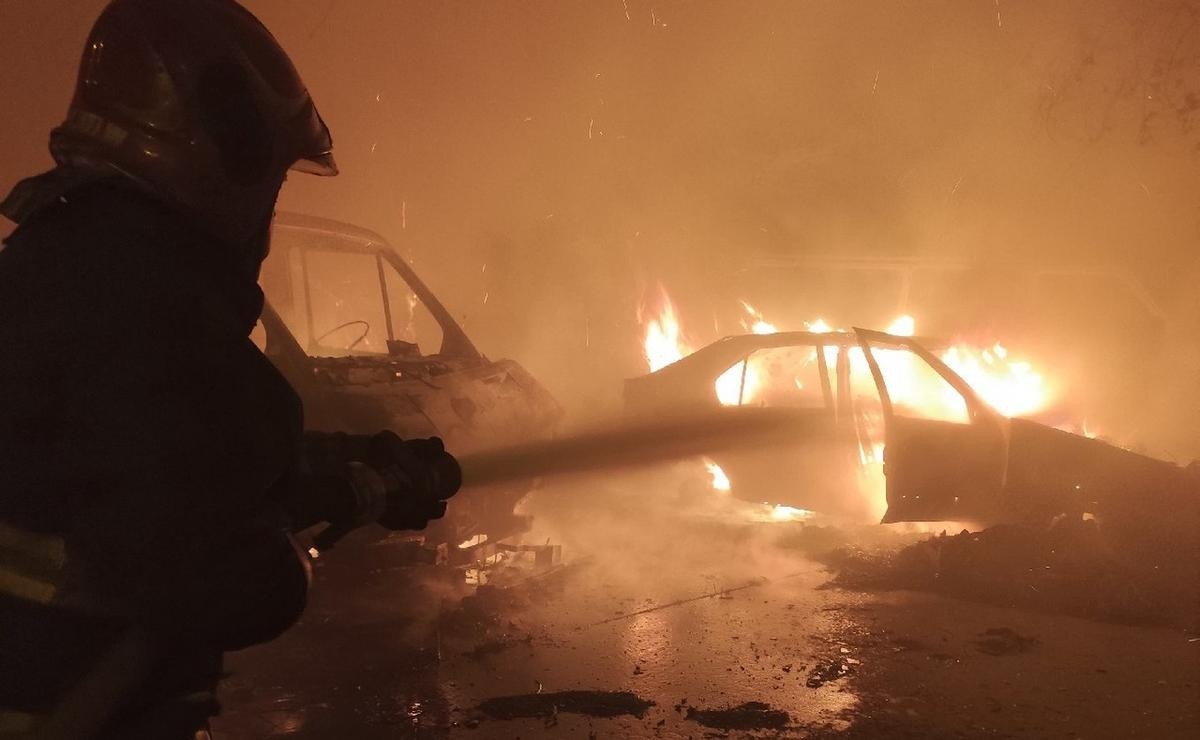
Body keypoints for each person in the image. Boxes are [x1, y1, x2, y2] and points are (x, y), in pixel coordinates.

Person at [0, 1, 458, 737]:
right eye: (272, 179)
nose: (269, 209)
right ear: (222, 152)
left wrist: (346, 469)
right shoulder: (139, 310)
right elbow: (213, 575)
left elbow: (175, 459)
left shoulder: (62, 271)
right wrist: (288, 562)